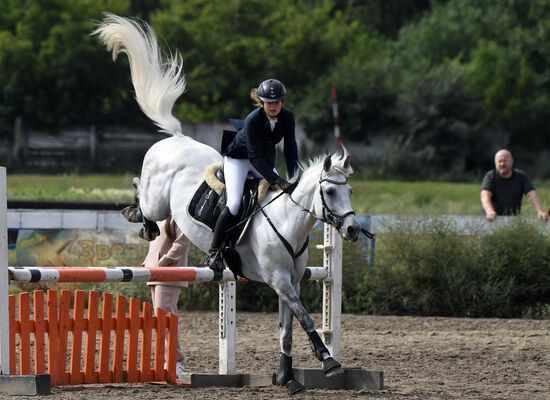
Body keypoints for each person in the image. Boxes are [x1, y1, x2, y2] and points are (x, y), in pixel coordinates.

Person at [202, 78, 299, 271]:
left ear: (283, 102)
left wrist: (294, 176)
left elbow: (290, 147)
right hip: (239, 160)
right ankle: (214, 252)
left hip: (261, 159)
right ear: (262, 103)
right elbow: (253, 157)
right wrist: (276, 180)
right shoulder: (253, 119)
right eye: (269, 103)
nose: (273, 106)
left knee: (281, 195)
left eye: (277, 102)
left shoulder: (288, 117)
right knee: (235, 203)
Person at [143, 216, 190, 377]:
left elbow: (182, 242)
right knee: (160, 319)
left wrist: (165, 261)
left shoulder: (177, 215)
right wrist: (148, 262)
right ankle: (169, 360)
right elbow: (156, 243)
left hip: (170, 271)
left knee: (166, 317)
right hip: (154, 271)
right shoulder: (157, 216)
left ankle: (177, 361)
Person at [480, 149, 548, 221]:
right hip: (491, 220)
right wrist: (489, 211)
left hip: (512, 221)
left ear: (511, 162)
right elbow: (485, 196)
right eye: (499, 161)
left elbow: (532, 194)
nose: (502, 164)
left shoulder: (521, 176)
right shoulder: (491, 176)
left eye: (505, 161)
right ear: (495, 163)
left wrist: (539, 211)